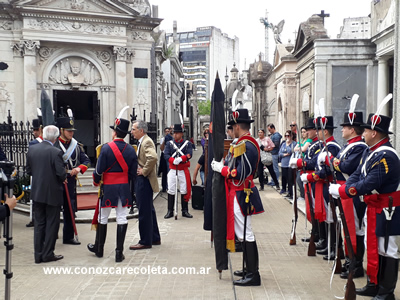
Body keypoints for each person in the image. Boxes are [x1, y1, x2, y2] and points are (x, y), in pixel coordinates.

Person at [329, 110, 400, 299]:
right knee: (373, 246)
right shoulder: (371, 152)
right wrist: (346, 186)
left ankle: (386, 291)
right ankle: (374, 283)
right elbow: (357, 174)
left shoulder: (386, 155)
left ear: (374, 133)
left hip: (387, 209)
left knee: (387, 248)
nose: (363, 134)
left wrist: (345, 191)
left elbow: (370, 182)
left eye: (366, 131)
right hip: (374, 207)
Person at [211, 108, 264, 286]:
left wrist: (222, 169)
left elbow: (239, 173)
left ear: (237, 127)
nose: (230, 131)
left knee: (245, 233)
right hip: (239, 192)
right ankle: (248, 269)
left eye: (231, 127)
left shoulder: (246, 145)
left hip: (242, 193)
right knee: (243, 233)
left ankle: (253, 274)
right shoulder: (243, 143)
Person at [88, 111, 137, 262]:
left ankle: (99, 249)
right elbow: (133, 173)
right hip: (123, 188)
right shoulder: (131, 149)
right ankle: (118, 252)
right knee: (121, 218)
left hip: (108, 188)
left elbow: (99, 170)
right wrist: (131, 191)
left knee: (103, 217)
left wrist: (96, 181)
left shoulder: (106, 148)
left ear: (115, 132)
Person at [322, 110, 366, 279]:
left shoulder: (359, 147)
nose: (341, 130)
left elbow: (346, 167)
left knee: (354, 228)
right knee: (345, 227)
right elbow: (339, 163)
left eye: (345, 127)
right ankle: (349, 259)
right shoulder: (349, 147)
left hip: (352, 193)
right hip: (343, 191)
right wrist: (336, 162)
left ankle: (356, 263)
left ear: (352, 129)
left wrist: (335, 162)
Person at [300, 116, 344, 261]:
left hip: (328, 184)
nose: (316, 133)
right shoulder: (323, 145)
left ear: (325, 131)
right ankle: (327, 243)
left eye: (319, 130)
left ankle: (334, 246)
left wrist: (313, 175)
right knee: (326, 216)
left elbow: (327, 169)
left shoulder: (332, 146)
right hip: (322, 184)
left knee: (331, 217)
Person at [26, 125, 67, 263]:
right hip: (52, 194)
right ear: (56, 138)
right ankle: (48, 253)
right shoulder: (56, 152)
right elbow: (61, 174)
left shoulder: (32, 149)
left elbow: (29, 171)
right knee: (51, 224)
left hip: (37, 192)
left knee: (39, 224)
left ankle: (38, 255)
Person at [55, 110, 90, 245]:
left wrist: (78, 168)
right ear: (61, 130)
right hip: (57, 181)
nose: (71, 133)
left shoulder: (76, 146)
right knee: (55, 210)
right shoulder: (55, 144)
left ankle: (68, 236)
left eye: (72, 131)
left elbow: (86, 161)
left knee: (70, 210)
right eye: (68, 131)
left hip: (70, 180)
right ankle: (53, 235)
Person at [129, 120, 161, 250]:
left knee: (144, 211)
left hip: (144, 179)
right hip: (144, 179)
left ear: (141, 130)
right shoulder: (142, 141)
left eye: (134, 129)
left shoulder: (146, 141)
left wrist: (144, 170)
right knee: (149, 210)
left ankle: (145, 241)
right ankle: (154, 237)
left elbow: (152, 157)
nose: (131, 132)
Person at [163, 123, 193, 219]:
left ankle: (185, 211)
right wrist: (173, 160)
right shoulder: (169, 144)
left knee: (184, 189)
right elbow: (166, 155)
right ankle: (170, 211)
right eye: (174, 133)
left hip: (182, 169)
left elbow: (189, 154)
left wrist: (181, 158)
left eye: (177, 133)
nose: (175, 135)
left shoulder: (187, 144)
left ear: (181, 134)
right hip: (172, 169)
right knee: (171, 189)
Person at [26, 118, 44, 228]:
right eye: (34, 130)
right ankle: (34, 218)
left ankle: (36, 219)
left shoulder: (33, 143)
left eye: (36, 130)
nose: (34, 132)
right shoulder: (34, 143)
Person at [294, 127, 312, 201]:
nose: (303, 133)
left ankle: (304, 195)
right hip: (298, 161)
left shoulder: (309, 140)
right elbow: (295, 149)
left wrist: (299, 148)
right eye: (302, 132)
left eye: (304, 132)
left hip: (304, 160)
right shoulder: (301, 140)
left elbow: (304, 149)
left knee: (300, 179)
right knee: (298, 179)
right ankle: (302, 194)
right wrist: (299, 149)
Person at [278, 130, 296, 197]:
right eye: (286, 136)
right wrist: (284, 154)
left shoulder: (294, 144)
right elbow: (279, 153)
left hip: (290, 163)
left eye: (288, 135)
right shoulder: (283, 144)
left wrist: (288, 145)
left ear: (291, 136)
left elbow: (291, 151)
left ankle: (290, 192)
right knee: (284, 176)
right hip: (283, 163)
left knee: (290, 178)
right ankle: (284, 189)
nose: (287, 137)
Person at [158, 127, 172, 192]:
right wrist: (164, 141)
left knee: (170, 171)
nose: (167, 133)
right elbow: (161, 149)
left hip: (170, 156)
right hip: (164, 156)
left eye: (168, 131)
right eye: (166, 131)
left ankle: (170, 186)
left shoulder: (171, 139)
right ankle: (164, 187)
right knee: (164, 172)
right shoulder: (163, 139)